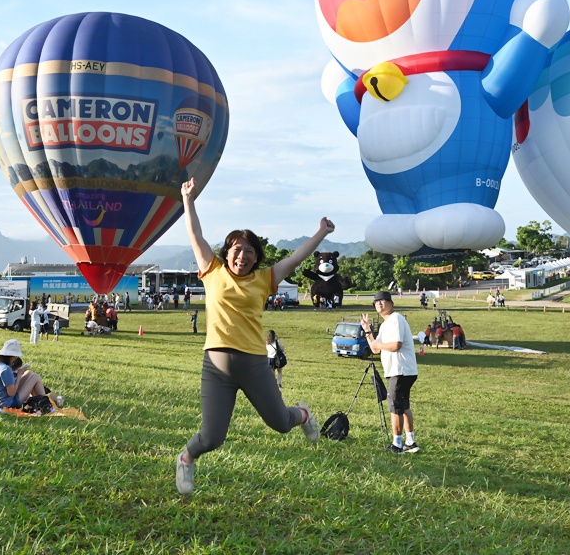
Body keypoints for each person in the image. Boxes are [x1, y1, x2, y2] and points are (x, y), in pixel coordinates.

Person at [175, 177, 332, 495]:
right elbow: (195, 233)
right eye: (236, 250)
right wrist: (188, 199)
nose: (241, 256)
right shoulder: (212, 269)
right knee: (212, 437)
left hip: (255, 365)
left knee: (280, 422)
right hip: (216, 367)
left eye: (248, 252)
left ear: (256, 257)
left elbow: (298, 258)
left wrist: (321, 232)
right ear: (227, 252)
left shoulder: (265, 278)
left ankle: (302, 414)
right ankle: (186, 459)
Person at [362, 290, 420, 454]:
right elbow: (375, 349)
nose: (379, 304)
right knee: (403, 405)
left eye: (383, 301)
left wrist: (379, 345)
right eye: (376, 302)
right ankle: (410, 442)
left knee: (395, 407)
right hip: (402, 370)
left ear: (391, 303)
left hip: (400, 370)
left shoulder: (395, 319)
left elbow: (396, 345)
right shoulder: (387, 324)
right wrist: (367, 331)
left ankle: (397, 445)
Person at [0, 339, 50, 409]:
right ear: (13, 356)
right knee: (35, 377)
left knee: (29, 373)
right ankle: (45, 404)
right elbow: (11, 393)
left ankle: (39, 401)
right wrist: (19, 375)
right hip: (8, 403)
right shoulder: (6, 369)